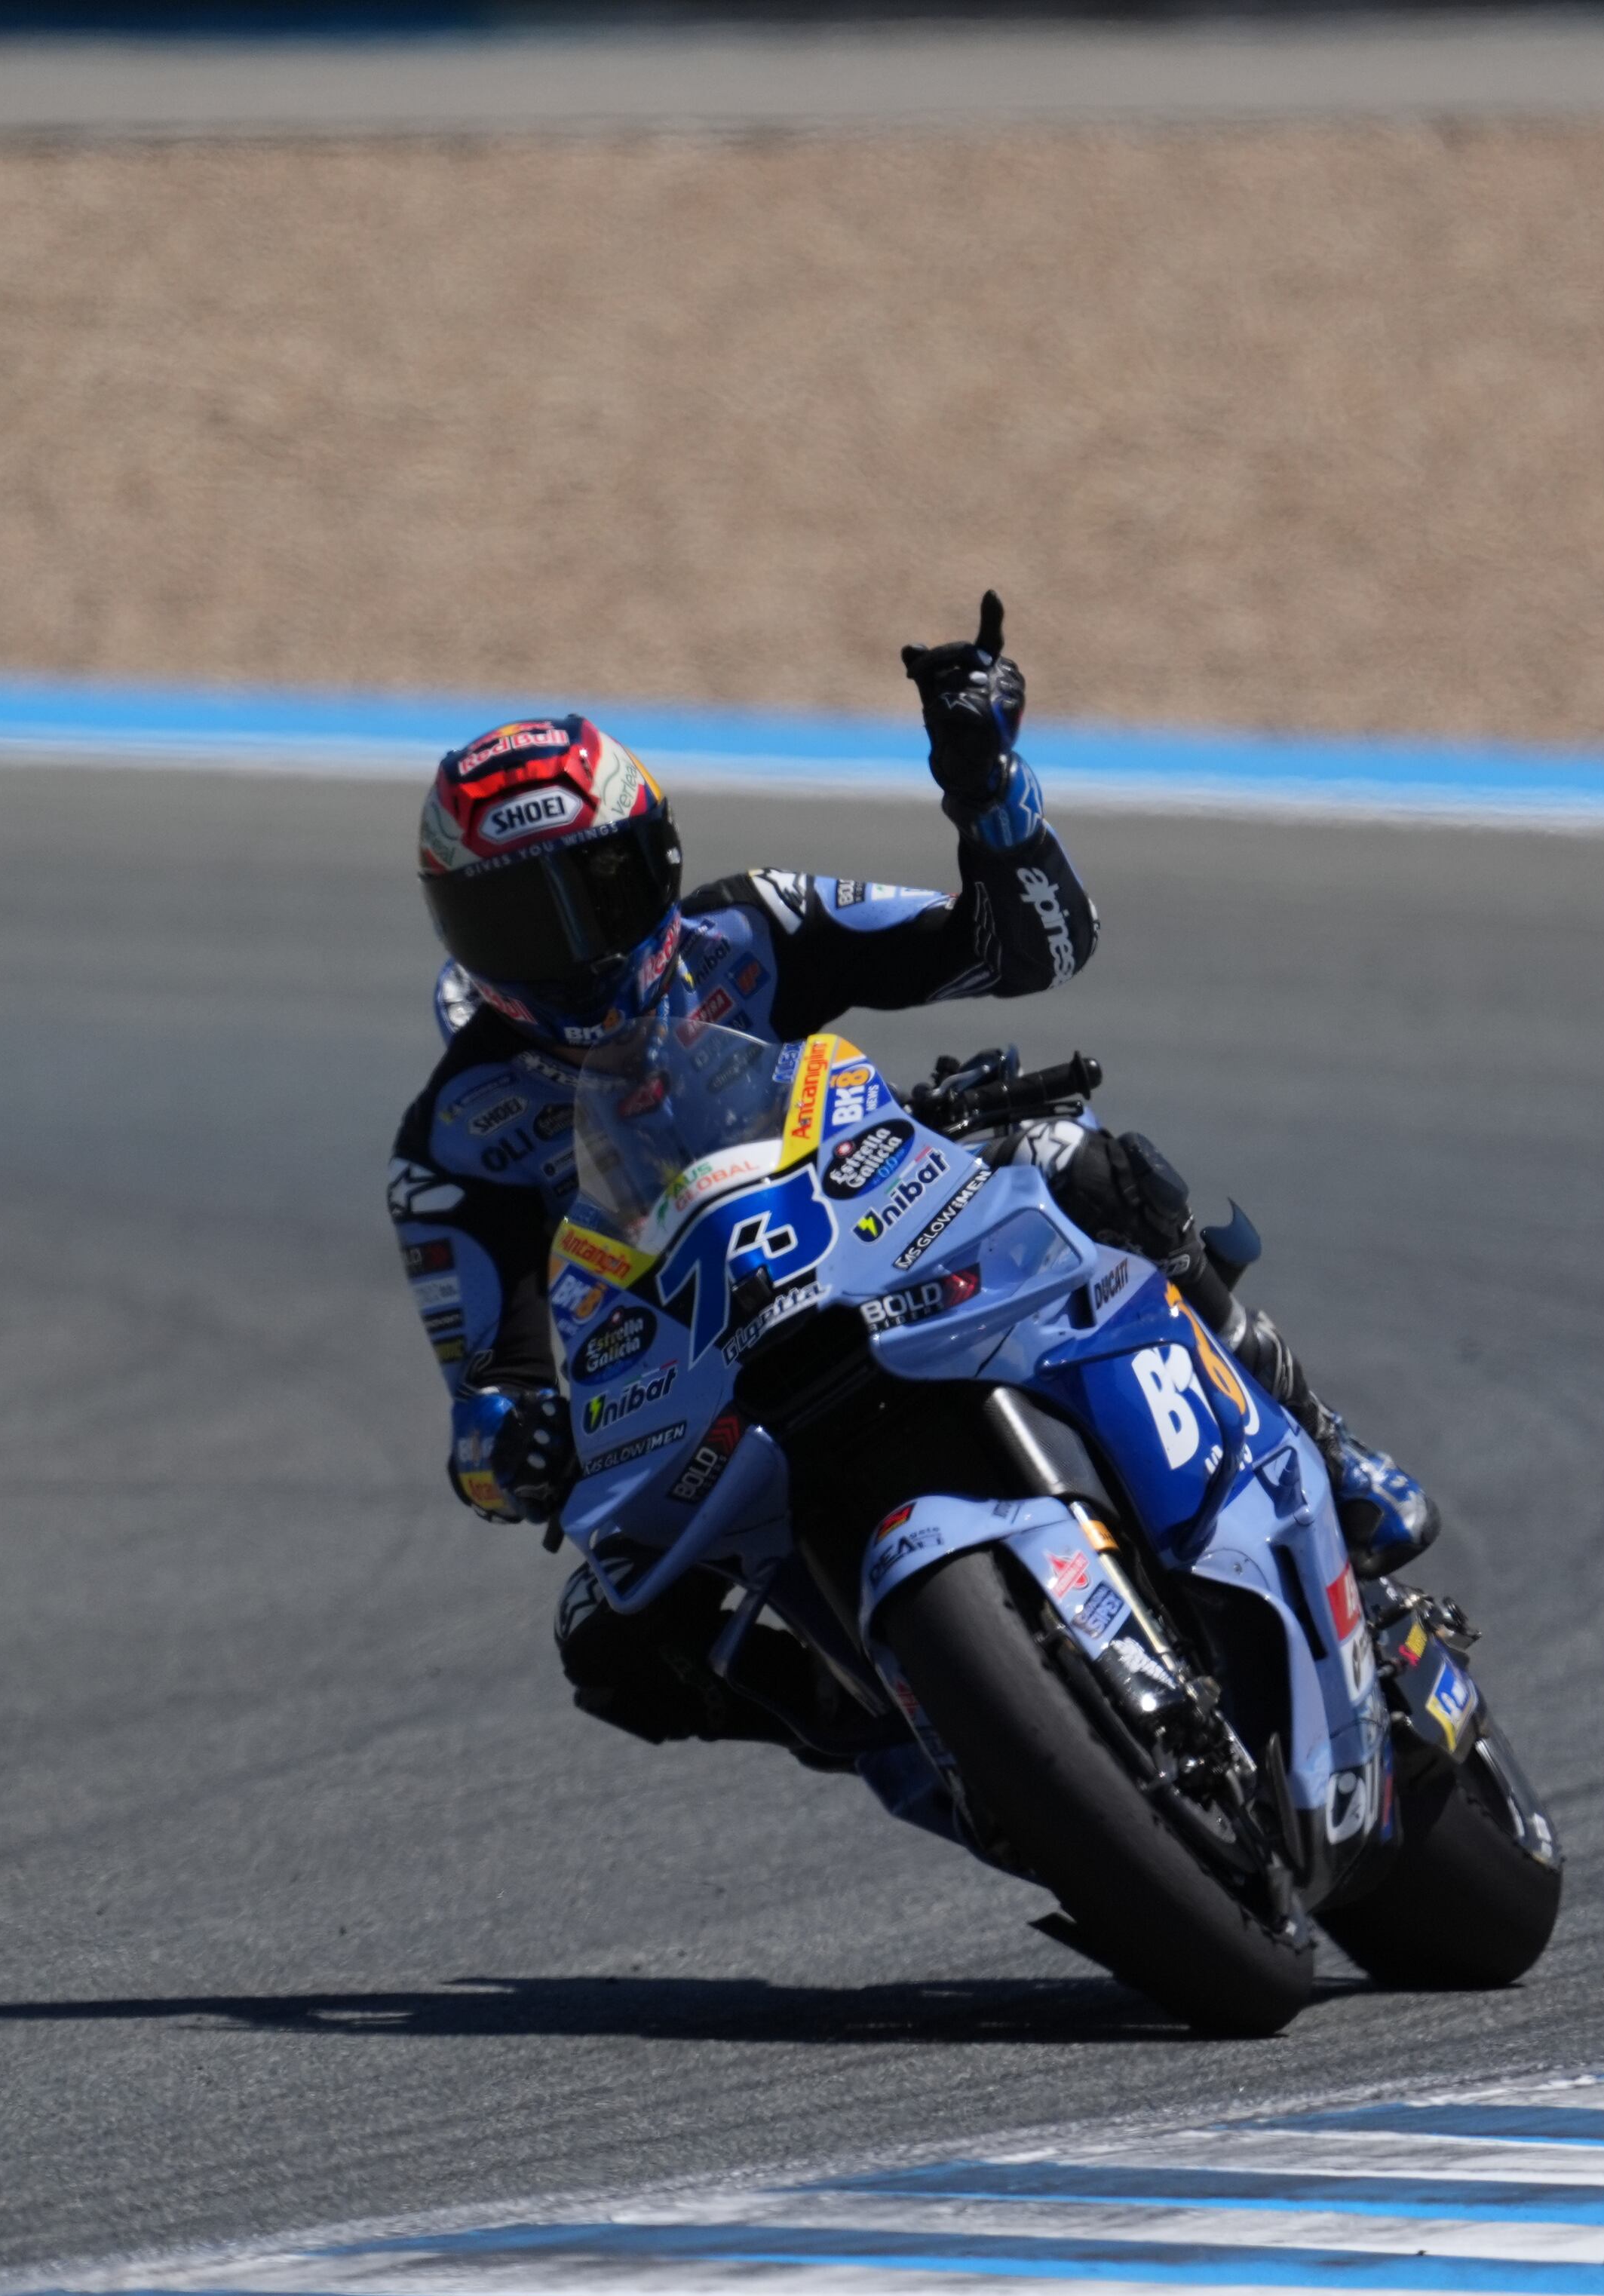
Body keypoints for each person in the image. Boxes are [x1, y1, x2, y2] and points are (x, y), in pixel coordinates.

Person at [386, 594, 1437, 1754]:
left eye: (595, 892)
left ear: (660, 861)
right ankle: (915, 1737)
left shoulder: (752, 929)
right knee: (611, 1636)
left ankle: (1322, 1441)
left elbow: (1029, 946)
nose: (574, 950)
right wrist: (510, 1447)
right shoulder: (455, 1139)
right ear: (458, 938)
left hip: (873, 1227)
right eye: (518, 926)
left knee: (1080, 1162)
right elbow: (489, 1397)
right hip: (694, 1383)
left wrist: (989, 788)